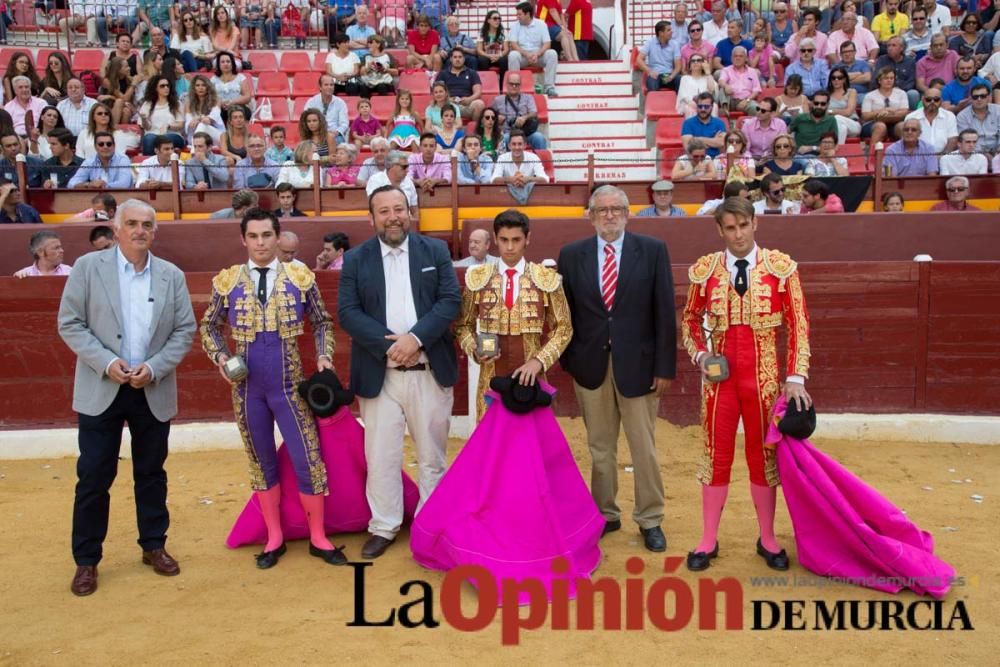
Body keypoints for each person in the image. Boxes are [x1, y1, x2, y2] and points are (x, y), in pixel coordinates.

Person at [57, 198, 196, 596]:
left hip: (150, 386)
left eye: (147, 225)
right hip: (103, 385)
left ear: (155, 231)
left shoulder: (171, 275)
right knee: (94, 475)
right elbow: (70, 322)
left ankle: (153, 545)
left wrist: (153, 367)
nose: (139, 231)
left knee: (151, 473)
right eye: (132, 223)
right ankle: (86, 561)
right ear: (116, 229)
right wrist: (106, 362)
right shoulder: (87, 268)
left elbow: (183, 331)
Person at [200, 208, 346, 569]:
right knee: (261, 461)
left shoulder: (300, 277)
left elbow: (323, 323)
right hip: (248, 389)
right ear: (244, 239)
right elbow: (209, 327)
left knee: (307, 458)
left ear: (278, 237)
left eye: (267, 235)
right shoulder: (229, 281)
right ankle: (275, 537)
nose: (261, 243)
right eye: (254, 236)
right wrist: (221, 358)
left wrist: (324, 358)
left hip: (290, 386)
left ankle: (318, 536)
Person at [681, 196, 811, 573]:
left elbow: (799, 324)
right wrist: (702, 356)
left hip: (765, 378)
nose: (738, 234)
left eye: (743, 226)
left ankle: (767, 538)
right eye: (730, 228)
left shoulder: (781, 268)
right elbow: (689, 321)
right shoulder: (705, 271)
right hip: (719, 380)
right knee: (715, 454)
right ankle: (708, 539)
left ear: (755, 224)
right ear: (720, 230)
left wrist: (795, 377)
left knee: (762, 456)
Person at [337, 184, 461, 560]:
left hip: (428, 368)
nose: (393, 217)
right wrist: (393, 345)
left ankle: (431, 523)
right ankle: (385, 525)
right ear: (371, 218)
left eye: (399, 209)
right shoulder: (357, 259)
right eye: (384, 211)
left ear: (410, 212)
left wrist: (416, 339)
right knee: (382, 455)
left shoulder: (435, 250)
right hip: (382, 372)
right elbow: (348, 312)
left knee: (432, 455)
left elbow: (450, 301)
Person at [557, 184, 676, 553]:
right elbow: (566, 313)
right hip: (592, 366)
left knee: (644, 448)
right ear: (590, 216)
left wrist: (665, 367)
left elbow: (664, 312)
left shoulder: (653, 251)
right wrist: (572, 360)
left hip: (639, 366)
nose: (609, 215)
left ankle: (650, 518)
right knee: (600, 448)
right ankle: (605, 513)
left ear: (627, 213)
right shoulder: (571, 254)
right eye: (602, 209)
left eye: (616, 208)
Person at [455, 209, 572, 419]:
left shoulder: (545, 278)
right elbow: (463, 325)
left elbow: (564, 328)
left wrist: (539, 361)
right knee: (492, 444)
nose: (509, 247)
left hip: (532, 375)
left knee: (530, 445)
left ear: (528, 239)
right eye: (504, 240)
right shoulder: (478, 277)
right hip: (490, 374)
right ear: (495, 239)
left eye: (516, 240)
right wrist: (474, 349)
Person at [508, 1, 559, 97]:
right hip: (523, 56)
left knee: (552, 53)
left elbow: (547, 43)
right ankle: (515, 86)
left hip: (538, 56)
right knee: (513, 55)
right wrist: (526, 54)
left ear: (528, 14)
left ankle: (549, 87)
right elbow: (514, 44)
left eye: (519, 14)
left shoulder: (541, 24)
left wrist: (537, 54)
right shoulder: (515, 25)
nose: (517, 16)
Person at [492, 129, 549, 204]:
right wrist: (511, 180)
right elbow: (494, 180)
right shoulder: (502, 158)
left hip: (530, 198)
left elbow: (545, 180)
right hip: (507, 198)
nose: (517, 147)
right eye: (514, 144)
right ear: (509, 146)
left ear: (525, 145)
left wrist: (528, 179)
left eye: (519, 144)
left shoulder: (533, 157)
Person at [491, 72, 547, 149]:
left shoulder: (528, 98)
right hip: (508, 133)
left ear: (520, 85)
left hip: (525, 133)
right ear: (507, 84)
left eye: (517, 84)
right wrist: (497, 119)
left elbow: (534, 113)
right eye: (511, 84)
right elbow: (489, 116)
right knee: (504, 139)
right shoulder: (498, 100)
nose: (514, 86)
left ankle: (541, 160)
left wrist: (524, 117)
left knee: (539, 137)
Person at [68, 132, 134, 189]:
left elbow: (124, 184)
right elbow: (71, 184)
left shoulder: (123, 159)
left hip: (121, 197)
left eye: (109, 144)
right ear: (95, 147)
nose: (105, 147)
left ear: (114, 146)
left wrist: (102, 186)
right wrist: (88, 185)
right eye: (101, 144)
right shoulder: (89, 162)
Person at [435, 47, 485, 122]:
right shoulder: (443, 74)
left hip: (466, 105)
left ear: (464, 59)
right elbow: (436, 92)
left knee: (479, 104)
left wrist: (469, 99)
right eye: (455, 57)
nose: (457, 59)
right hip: (448, 104)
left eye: (460, 57)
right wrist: (448, 99)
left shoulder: (472, 73)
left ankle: (474, 132)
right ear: (451, 59)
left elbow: (478, 92)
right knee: (438, 104)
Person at [365, 151, 419, 219]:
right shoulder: (375, 180)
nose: (407, 170)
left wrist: (414, 224)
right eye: (404, 166)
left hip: (405, 223)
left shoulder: (408, 182)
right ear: (391, 166)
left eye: (408, 166)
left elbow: (414, 210)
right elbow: (374, 207)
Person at [905, 89, 958, 155]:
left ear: (941, 101)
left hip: (943, 158)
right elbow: (908, 142)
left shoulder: (949, 116)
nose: (932, 102)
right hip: (918, 158)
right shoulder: (911, 117)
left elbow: (953, 140)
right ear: (922, 99)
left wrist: (942, 156)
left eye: (936, 100)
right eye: (928, 99)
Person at [303, 75, 349, 146]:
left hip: (335, 135)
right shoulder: (311, 102)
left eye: (331, 85)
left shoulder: (340, 103)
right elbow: (305, 120)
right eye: (326, 85)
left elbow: (344, 124)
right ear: (320, 87)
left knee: (340, 146)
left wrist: (335, 132)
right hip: (316, 134)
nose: (329, 87)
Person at [789, 90, 839, 155]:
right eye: (816, 103)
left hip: (821, 156)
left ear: (828, 105)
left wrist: (812, 148)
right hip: (801, 156)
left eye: (823, 104)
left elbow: (835, 146)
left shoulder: (831, 120)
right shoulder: (800, 118)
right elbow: (786, 133)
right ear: (812, 103)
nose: (819, 106)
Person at [637, 20, 681, 92]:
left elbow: (678, 66)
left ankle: (680, 103)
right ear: (661, 33)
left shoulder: (675, 44)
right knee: (652, 82)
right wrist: (649, 71)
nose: (672, 32)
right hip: (655, 74)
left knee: (680, 79)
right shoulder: (650, 42)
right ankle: (653, 103)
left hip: (669, 75)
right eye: (668, 30)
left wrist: (671, 76)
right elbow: (639, 60)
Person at [956, 84, 1000, 155]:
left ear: (989, 97)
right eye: (975, 97)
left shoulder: (998, 110)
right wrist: (985, 155)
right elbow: (966, 140)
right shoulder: (962, 116)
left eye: (983, 96)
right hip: (974, 153)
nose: (979, 99)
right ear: (971, 99)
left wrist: (998, 153)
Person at [681, 92, 727, 157]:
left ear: (712, 107)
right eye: (700, 106)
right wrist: (713, 141)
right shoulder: (688, 123)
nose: (703, 109)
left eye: (706, 107)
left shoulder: (719, 123)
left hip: (715, 159)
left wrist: (697, 139)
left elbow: (722, 143)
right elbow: (688, 147)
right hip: (695, 160)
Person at [717, 47, 761, 114]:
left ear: (746, 58)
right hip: (729, 100)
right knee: (722, 88)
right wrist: (726, 86)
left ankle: (753, 124)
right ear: (731, 58)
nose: (738, 58)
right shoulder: (726, 70)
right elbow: (721, 81)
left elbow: (756, 91)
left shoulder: (752, 72)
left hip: (745, 100)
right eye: (735, 56)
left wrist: (747, 100)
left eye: (741, 56)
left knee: (756, 108)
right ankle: (725, 108)